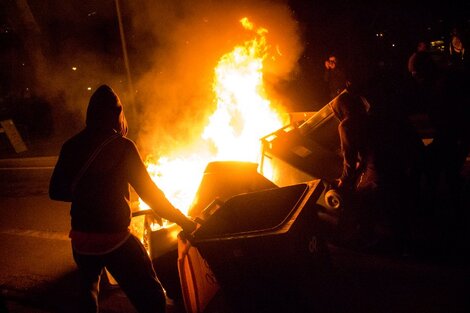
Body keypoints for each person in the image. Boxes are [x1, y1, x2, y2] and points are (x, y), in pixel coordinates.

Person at [49, 84, 197, 313]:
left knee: (89, 290)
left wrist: (86, 192)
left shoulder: (71, 146)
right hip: (114, 239)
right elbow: (151, 195)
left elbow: (55, 191)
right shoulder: (123, 147)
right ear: (117, 113)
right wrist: (183, 220)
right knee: (153, 297)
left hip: (81, 239)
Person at [331, 90, 424, 252]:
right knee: (393, 202)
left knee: (363, 198)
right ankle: (404, 239)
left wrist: (344, 180)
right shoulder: (369, 116)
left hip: (379, 170)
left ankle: (367, 239)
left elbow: (350, 160)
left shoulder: (346, 125)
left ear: (339, 110)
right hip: (395, 164)